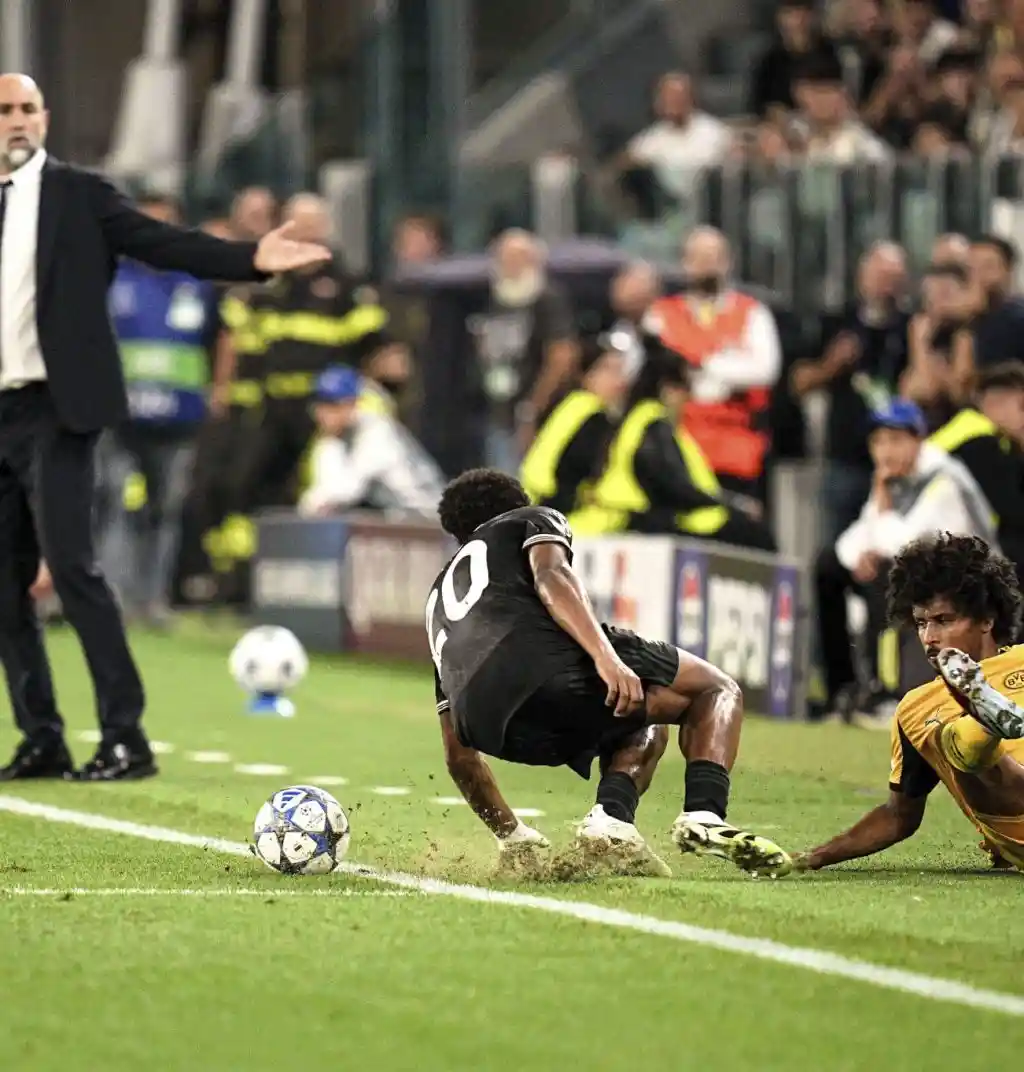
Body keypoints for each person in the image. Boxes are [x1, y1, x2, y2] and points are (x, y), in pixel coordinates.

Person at [0, 73, 330, 782]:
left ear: (45, 118)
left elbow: (164, 244)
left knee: (74, 569)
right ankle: (41, 737)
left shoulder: (78, 196)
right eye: (5, 111)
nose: (18, 120)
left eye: (28, 108)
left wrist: (249, 258)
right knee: (4, 585)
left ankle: (125, 738)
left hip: (57, 408)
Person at [426, 468, 792, 878]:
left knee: (636, 707)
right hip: (543, 665)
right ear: (518, 503)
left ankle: (611, 822)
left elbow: (458, 757)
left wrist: (510, 834)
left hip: (490, 729)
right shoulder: (531, 518)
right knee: (715, 689)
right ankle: (704, 815)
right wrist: (606, 658)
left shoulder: (437, 602)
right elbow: (551, 574)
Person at [797, 532, 1024, 873]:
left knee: (956, 740)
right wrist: (812, 857)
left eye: (944, 620)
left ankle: (981, 726)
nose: (929, 637)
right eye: (921, 623)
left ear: (986, 619)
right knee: (954, 741)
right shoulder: (916, 708)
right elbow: (898, 816)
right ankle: (983, 726)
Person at [815, 399, 998, 722]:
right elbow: (855, 539)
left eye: (896, 440)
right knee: (829, 566)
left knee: (889, 574)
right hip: (927, 574)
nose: (886, 451)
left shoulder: (943, 480)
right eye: (878, 442)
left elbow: (906, 545)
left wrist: (879, 516)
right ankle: (841, 688)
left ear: (918, 440)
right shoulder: (893, 477)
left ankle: (887, 691)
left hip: (973, 586)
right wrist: (861, 554)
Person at [101, 193, 219, 626]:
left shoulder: (197, 281)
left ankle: (153, 601)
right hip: (119, 419)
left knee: (166, 511)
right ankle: (115, 599)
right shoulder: (109, 277)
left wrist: (219, 389)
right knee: (117, 502)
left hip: (179, 419)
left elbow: (221, 337)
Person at [569, 345, 776, 550]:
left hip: (619, 515)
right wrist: (732, 505)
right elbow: (673, 484)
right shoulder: (652, 423)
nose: (688, 398)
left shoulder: (636, 418)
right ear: (667, 389)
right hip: (630, 518)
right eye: (684, 388)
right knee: (755, 535)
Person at [648, 227, 781, 506]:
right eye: (699, 257)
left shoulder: (752, 312)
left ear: (728, 261)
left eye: (714, 257)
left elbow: (765, 370)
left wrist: (703, 366)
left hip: (738, 453)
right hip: (677, 448)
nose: (707, 265)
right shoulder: (661, 314)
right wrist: (729, 366)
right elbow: (650, 367)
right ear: (685, 262)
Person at [297, 366, 444, 518]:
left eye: (332, 405)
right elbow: (325, 487)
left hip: (428, 515)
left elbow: (349, 489)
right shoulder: (331, 440)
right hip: (393, 516)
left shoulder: (377, 431)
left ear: (352, 404)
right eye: (320, 405)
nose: (322, 413)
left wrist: (311, 506)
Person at [519, 337, 629, 516]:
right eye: (609, 370)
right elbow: (578, 472)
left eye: (621, 371)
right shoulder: (594, 416)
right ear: (587, 375)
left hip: (535, 503)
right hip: (558, 510)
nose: (619, 381)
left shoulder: (572, 404)